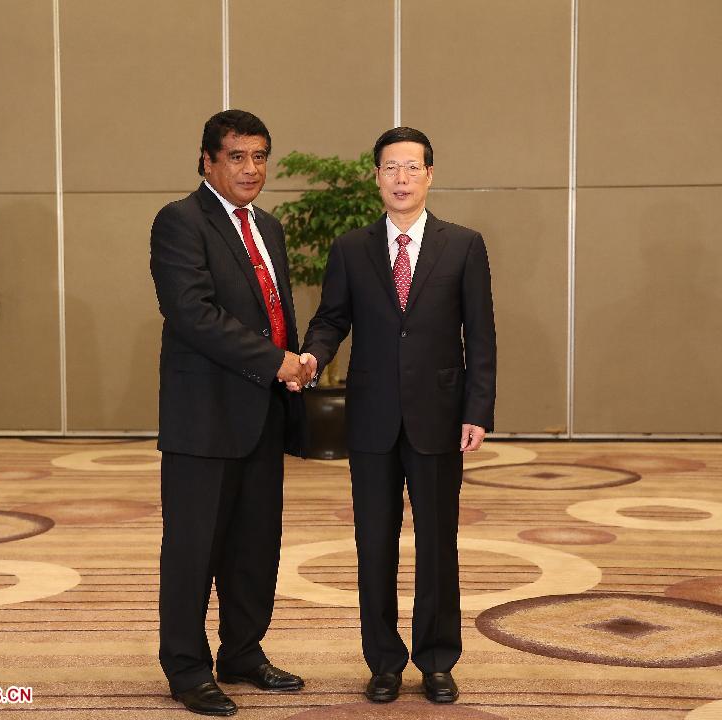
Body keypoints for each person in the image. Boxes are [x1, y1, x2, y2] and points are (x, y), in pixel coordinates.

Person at [298, 127, 496, 704]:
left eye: (412, 168)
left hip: (439, 416)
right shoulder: (351, 248)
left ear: (430, 175)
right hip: (372, 420)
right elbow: (332, 317)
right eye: (391, 168)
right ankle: (383, 661)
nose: (401, 178)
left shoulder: (463, 244)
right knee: (373, 544)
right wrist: (313, 353)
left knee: (438, 543)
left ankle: (437, 660)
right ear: (376, 177)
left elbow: (480, 335)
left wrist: (477, 408)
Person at [150, 109, 313, 717]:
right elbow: (192, 313)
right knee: (193, 547)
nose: (252, 169)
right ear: (207, 161)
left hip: (263, 412)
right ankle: (186, 668)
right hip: (204, 415)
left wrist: (292, 367)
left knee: (255, 544)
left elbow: (274, 311)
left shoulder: (267, 227)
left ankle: (242, 652)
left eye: (261, 156)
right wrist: (277, 361)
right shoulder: (180, 222)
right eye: (238, 157)